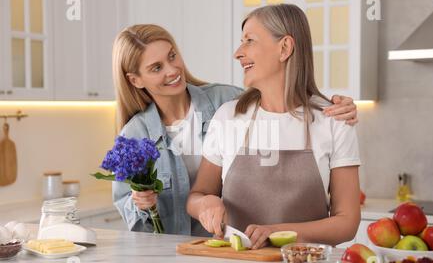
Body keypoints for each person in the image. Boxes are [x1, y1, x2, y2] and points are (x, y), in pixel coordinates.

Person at [112, 23, 359, 236]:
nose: (172, 70)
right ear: (135, 80)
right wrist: (140, 203)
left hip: (229, 247)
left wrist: (331, 106)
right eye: (156, 68)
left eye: (172, 56)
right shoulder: (133, 136)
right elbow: (128, 210)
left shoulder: (227, 101)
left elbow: (282, 100)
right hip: (172, 253)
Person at [186, 4, 361, 247]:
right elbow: (197, 196)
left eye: (249, 40)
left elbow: (347, 222)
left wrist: (276, 232)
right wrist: (204, 204)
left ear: (285, 48)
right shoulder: (228, 117)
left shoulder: (334, 120)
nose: (238, 52)